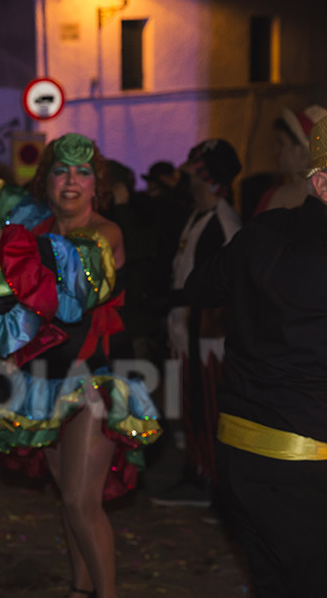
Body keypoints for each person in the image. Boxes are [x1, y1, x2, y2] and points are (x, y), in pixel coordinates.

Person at [0, 133, 161, 598]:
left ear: (96, 186)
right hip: (44, 383)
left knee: (82, 500)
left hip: (95, 381)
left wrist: (2, 239)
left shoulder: (107, 233)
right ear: (47, 181)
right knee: (68, 500)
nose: (71, 181)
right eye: (61, 170)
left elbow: (73, 271)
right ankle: (80, 590)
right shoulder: (36, 224)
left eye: (83, 172)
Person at [182, 115, 327, 597]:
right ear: (321, 182)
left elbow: (200, 286)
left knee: (270, 582)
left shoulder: (263, 231)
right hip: (308, 462)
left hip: (239, 455)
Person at [159, 139, 242, 507]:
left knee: (210, 413)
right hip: (188, 336)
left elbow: (221, 290)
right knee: (194, 410)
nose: (186, 176)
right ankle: (197, 472)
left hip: (208, 342)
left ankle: (212, 482)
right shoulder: (198, 216)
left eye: (193, 170)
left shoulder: (222, 224)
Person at [253, 104, 327, 214]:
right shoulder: (272, 195)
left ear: (303, 153)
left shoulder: (321, 204)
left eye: (282, 144)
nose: (276, 150)